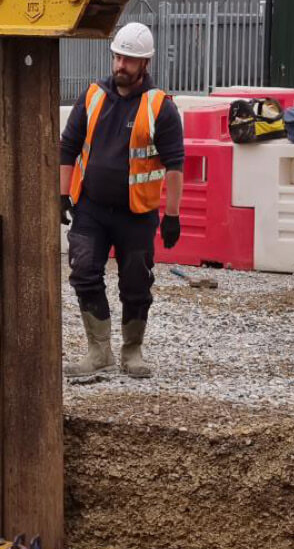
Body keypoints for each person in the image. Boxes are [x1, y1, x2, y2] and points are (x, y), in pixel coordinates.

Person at [59, 22, 185, 380]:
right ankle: (98, 352)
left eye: (129, 60)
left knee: (135, 283)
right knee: (84, 272)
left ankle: (132, 351)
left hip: (137, 214)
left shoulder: (159, 106)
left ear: (144, 64)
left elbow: (175, 164)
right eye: (117, 57)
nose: (120, 66)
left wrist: (172, 215)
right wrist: (62, 194)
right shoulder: (93, 96)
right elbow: (67, 146)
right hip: (91, 209)